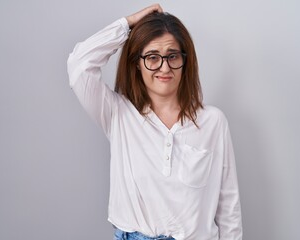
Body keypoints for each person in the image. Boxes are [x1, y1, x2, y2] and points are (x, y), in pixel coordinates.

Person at [67, 4, 242, 240]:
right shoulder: (119, 114)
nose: (164, 67)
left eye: (172, 56)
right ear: (137, 63)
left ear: (185, 61)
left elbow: (228, 207)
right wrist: (127, 24)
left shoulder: (213, 122)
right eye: (152, 57)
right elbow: (79, 65)